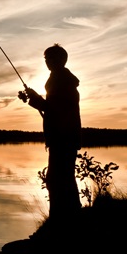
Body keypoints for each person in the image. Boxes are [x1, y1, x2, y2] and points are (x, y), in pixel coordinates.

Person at [24, 44, 82, 219]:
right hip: (63, 137)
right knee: (61, 179)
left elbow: (53, 109)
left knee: (58, 180)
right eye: (46, 58)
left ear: (61, 59)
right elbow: (52, 108)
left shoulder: (61, 80)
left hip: (62, 138)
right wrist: (33, 97)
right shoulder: (60, 79)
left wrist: (35, 100)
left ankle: (62, 220)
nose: (47, 61)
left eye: (51, 58)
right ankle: (67, 217)